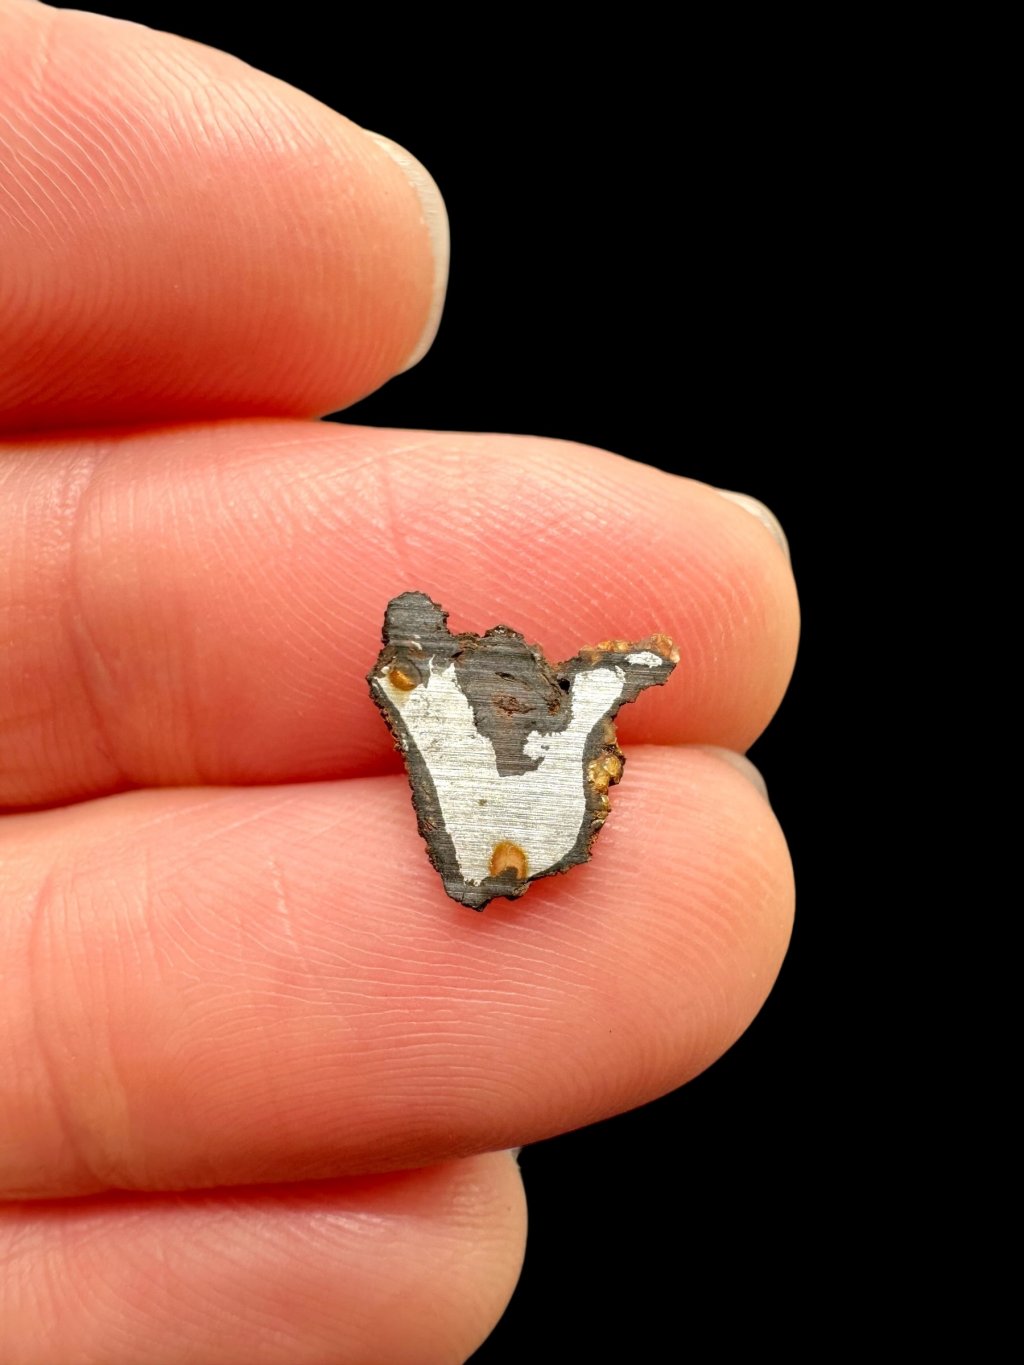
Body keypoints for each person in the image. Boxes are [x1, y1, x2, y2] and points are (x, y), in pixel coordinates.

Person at [0, 1, 799, 1358]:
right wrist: (601, 688)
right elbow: (562, 712)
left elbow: (576, 712)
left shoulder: (474, 721)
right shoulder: (444, 707)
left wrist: (606, 686)